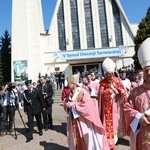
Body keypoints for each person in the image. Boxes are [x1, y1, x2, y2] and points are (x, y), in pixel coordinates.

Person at [63, 74, 110, 150]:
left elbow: (87, 104)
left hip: (82, 120)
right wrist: (66, 105)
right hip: (73, 120)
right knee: (75, 138)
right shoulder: (70, 93)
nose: (67, 84)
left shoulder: (82, 91)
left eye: (69, 83)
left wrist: (74, 105)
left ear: (74, 84)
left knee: (85, 138)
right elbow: (66, 103)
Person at [124, 38, 150, 150]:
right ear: (142, 72)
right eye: (146, 70)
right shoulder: (135, 92)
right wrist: (139, 117)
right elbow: (126, 108)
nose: (149, 73)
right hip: (142, 134)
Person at [98, 58, 127, 149]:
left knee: (116, 121)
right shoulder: (102, 83)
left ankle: (116, 137)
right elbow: (100, 94)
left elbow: (123, 92)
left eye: (111, 74)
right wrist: (107, 92)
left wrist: (121, 92)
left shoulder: (117, 81)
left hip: (116, 105)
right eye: (108, 74)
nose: (110, 76)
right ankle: (110, 139)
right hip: (107, 107)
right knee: (109, 123)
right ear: (106, 74)